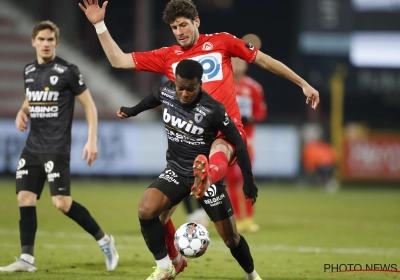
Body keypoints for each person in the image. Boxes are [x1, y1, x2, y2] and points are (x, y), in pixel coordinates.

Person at [79, 0, 320, 275]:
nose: (179, 31)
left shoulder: (223, 42)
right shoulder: (167, 56)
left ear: (197, 22)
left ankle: (206, 176)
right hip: (188, 151)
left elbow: (264, 60)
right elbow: (118, 60)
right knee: (156, 216)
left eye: (183, 24)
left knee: (219, 148)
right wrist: (99, 24)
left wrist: (303, 83)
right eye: (174, 27)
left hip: (224, 134)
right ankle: (173, 262)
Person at [118, 59, 262, 280]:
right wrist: (131, 111)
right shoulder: (167, 91)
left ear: (200, 84)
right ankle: (165, 266)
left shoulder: (213, 109)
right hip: (176, 171)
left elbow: (238, 143)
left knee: (231, 238)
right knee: (147, 210)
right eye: (180, 87)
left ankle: (251, 275)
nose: (184, 93)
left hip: (205, 178)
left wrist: (249, 182)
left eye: (190, 89)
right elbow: (151, 99)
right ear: (174, 82)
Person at [0, 20, 118, 273]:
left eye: (50, 40)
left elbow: (89, 105)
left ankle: (105, 240)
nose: (45, 44)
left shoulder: (68, 71)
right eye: (41, 39)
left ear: (56, 43)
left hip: (56, 147)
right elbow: (32, 97)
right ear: (33, 42)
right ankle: (27, 259)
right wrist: (22, 111)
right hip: (33, 146)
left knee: (62, 203)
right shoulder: (29, 71)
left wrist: (92, 139)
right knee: (24, 197)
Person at [225, 57, 267, 233]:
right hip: (226, 138)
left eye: (240, 62)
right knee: (230, 179)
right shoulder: (223, 85)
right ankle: (238, 218)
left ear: (246, 65)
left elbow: (262, 111)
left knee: (246, 177)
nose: (237, 66)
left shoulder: (254, 87)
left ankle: (249, 218)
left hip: (246, 138)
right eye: (233, 62)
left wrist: (252, 118)